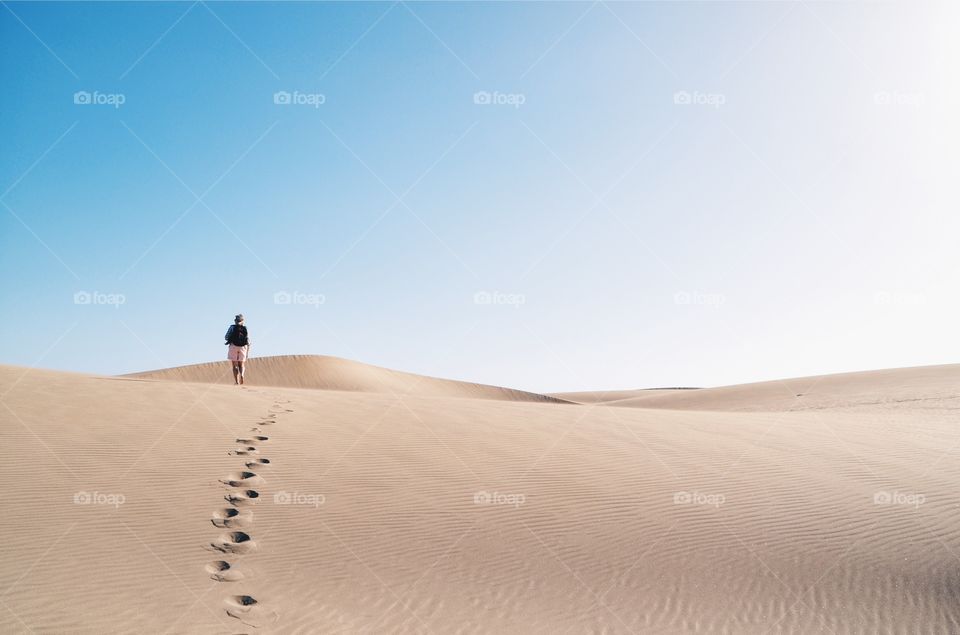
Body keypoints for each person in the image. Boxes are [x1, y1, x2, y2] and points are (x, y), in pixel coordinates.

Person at [225, 314, 251, 385]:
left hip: (233, 346)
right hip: (243, 347)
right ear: (243, 321)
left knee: (234, 365)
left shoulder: (232, 327)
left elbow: (226, 337)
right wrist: (247, 351)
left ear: (235, 321)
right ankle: (242, 374)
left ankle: (236, 382)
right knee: (241, 365)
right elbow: (248, 341)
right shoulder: (245, 328)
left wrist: (230, 339)